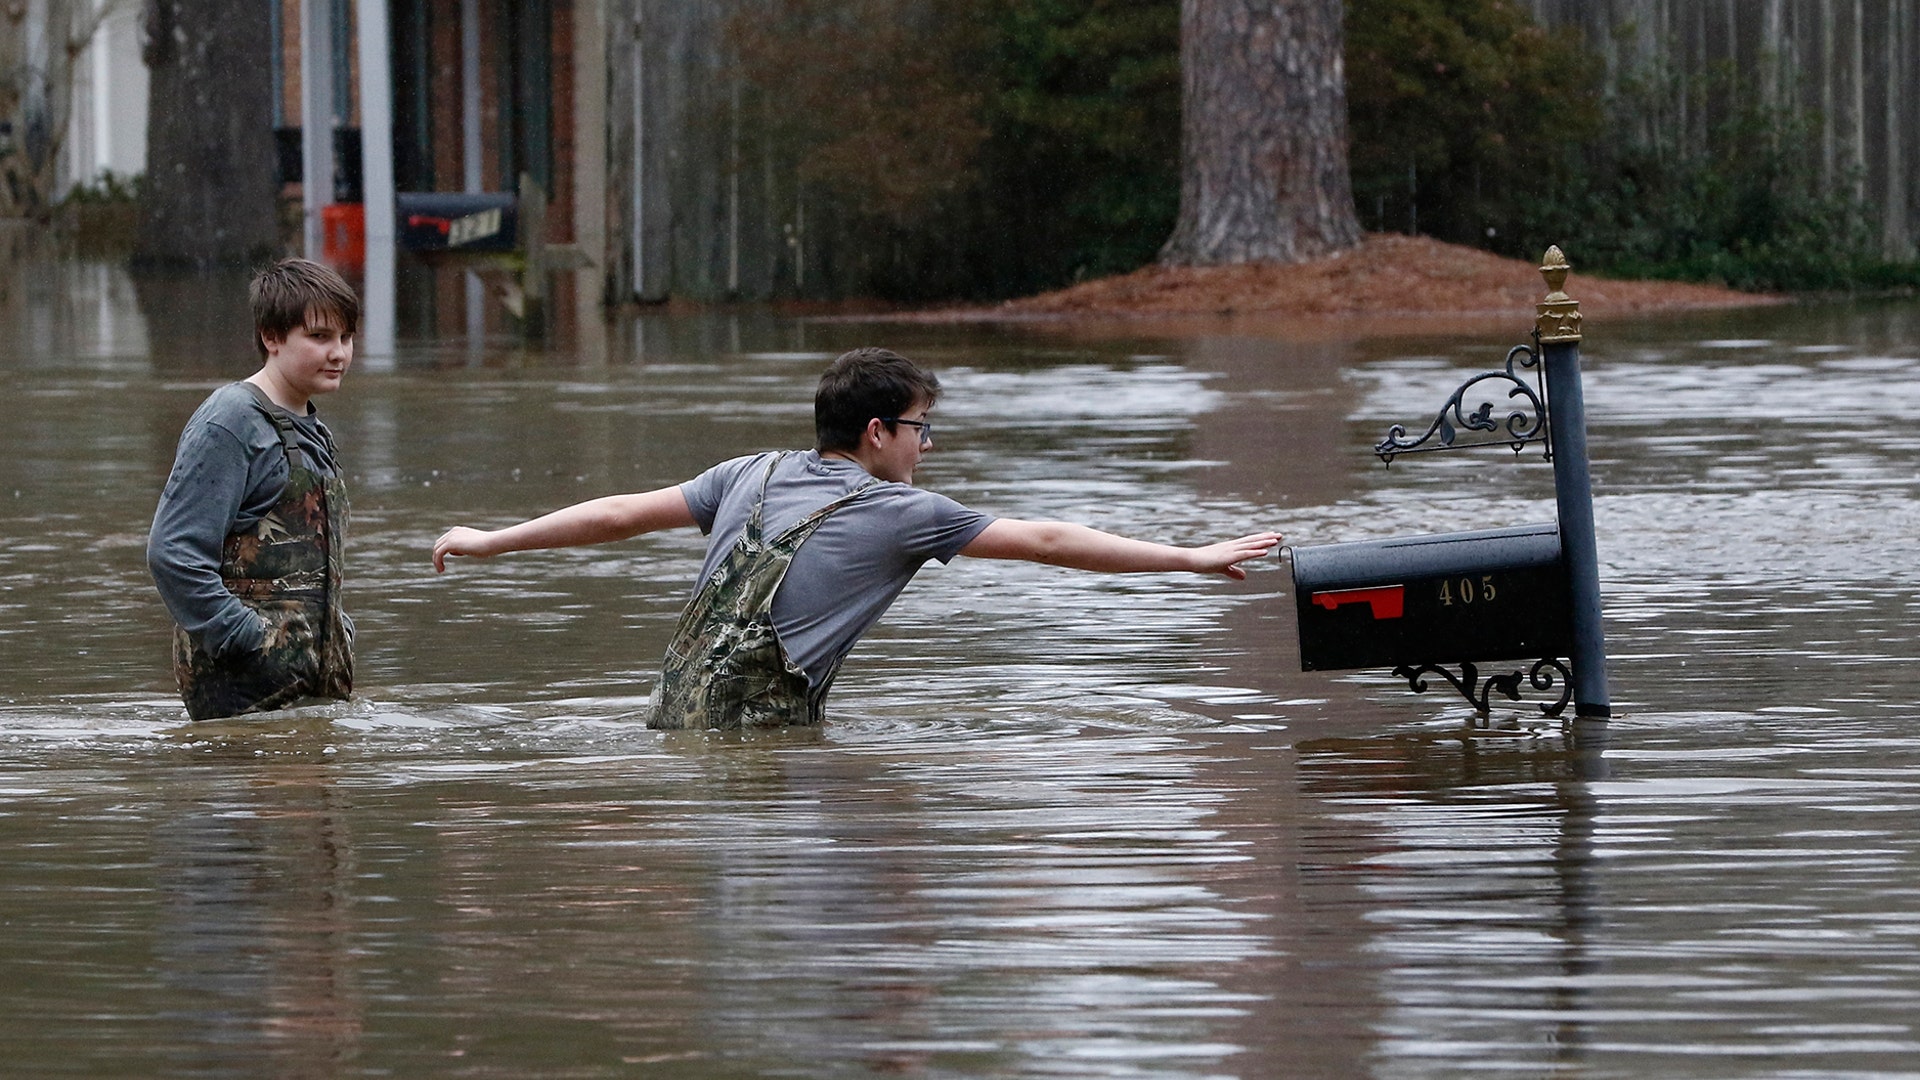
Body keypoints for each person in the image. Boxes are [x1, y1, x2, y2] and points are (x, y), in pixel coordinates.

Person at [432, 347, 1281, 729]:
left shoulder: (747, 473)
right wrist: (1190, 558)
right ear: (878, 433)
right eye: (920, 428)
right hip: (764, 740)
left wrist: (491, 540)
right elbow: (1050, 540)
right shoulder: (904, 513)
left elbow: (617, 515)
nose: (927, 445)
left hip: (675, 720)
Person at [148, 257, 359, 720]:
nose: (339, 353)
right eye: (320, 337)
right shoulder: (231, 421)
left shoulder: (312, 427)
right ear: (271, 337)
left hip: (309, 689)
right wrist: (247, 638)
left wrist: (336, 632)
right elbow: (173, 553)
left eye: (346, 337)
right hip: (244, 693)